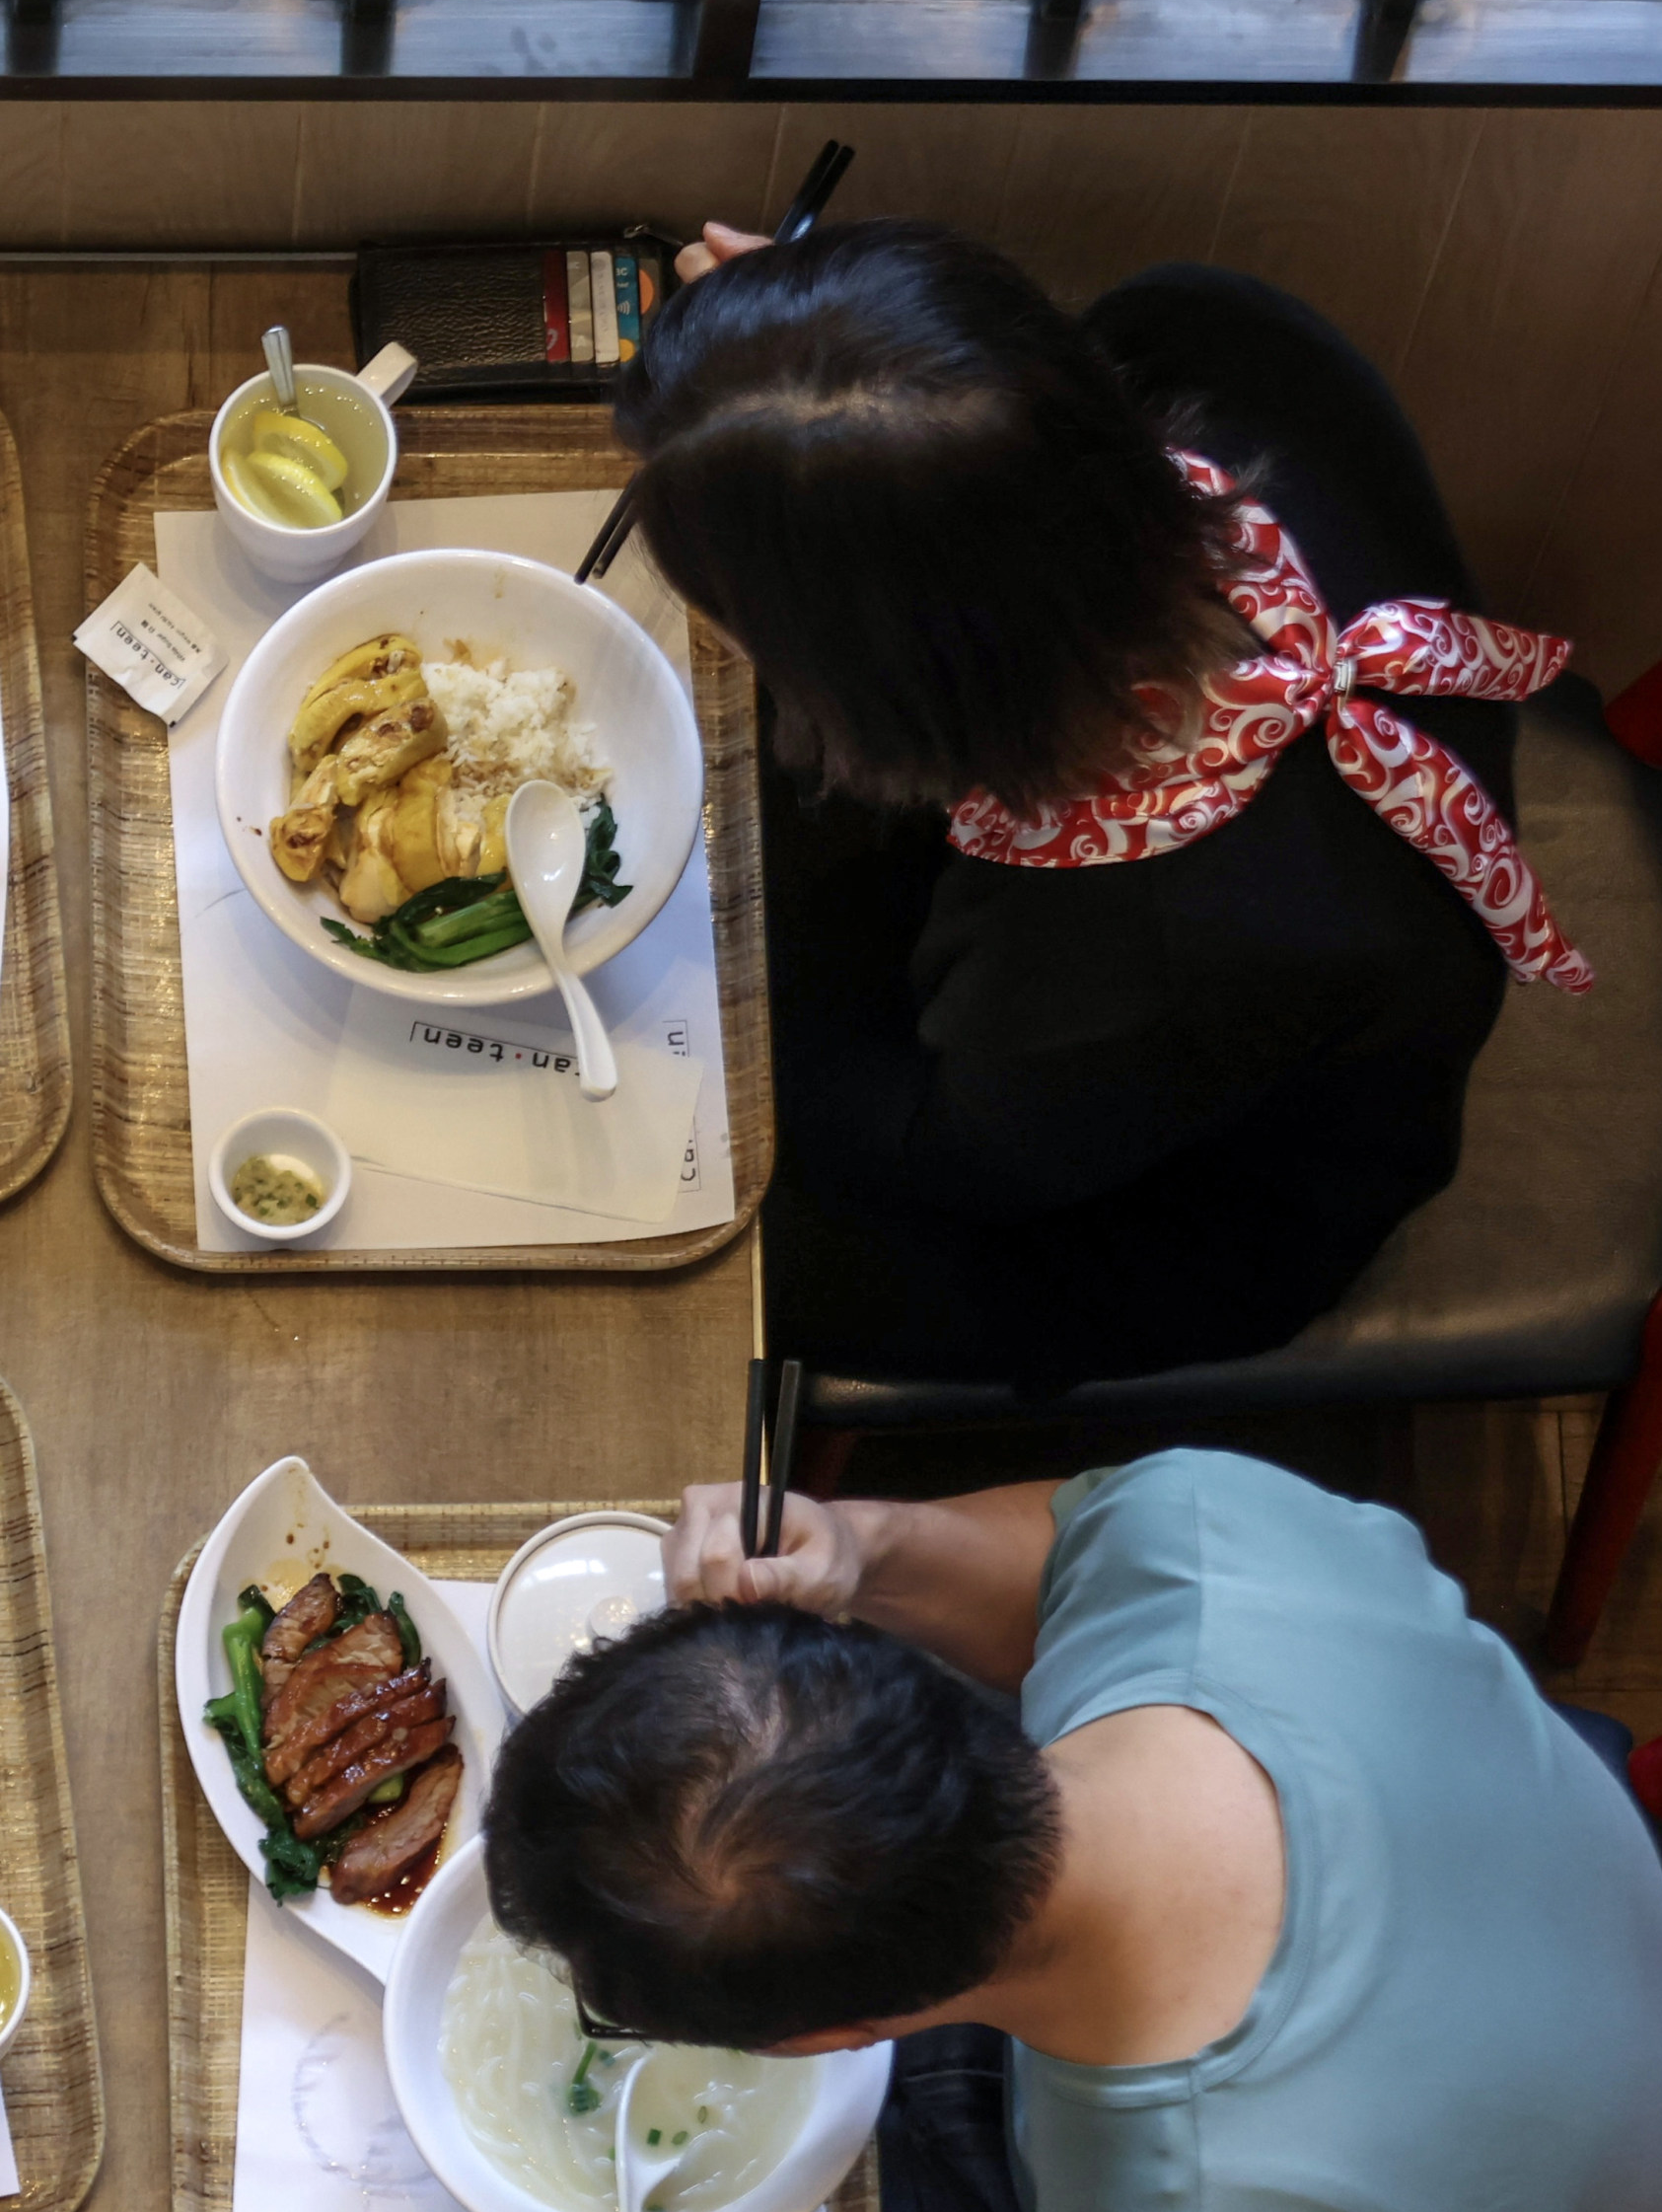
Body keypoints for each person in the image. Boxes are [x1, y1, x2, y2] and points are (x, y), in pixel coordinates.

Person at [319, 1450, 1662, 2212]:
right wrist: (869, 1541)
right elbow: (1075, 1548)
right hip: (1526, 1953)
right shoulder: (1213, 1552)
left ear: (838, 2035)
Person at [617, 222, 1585, 1390]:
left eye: (742, 623)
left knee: (672, 1224)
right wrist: (807, 372)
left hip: (1167, 1196)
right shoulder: (1216, 339)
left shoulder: (1148, 960)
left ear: (886, 705)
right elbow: (967, 426)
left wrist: (651, 1017)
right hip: (1113, 987)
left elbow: (940, 1151)